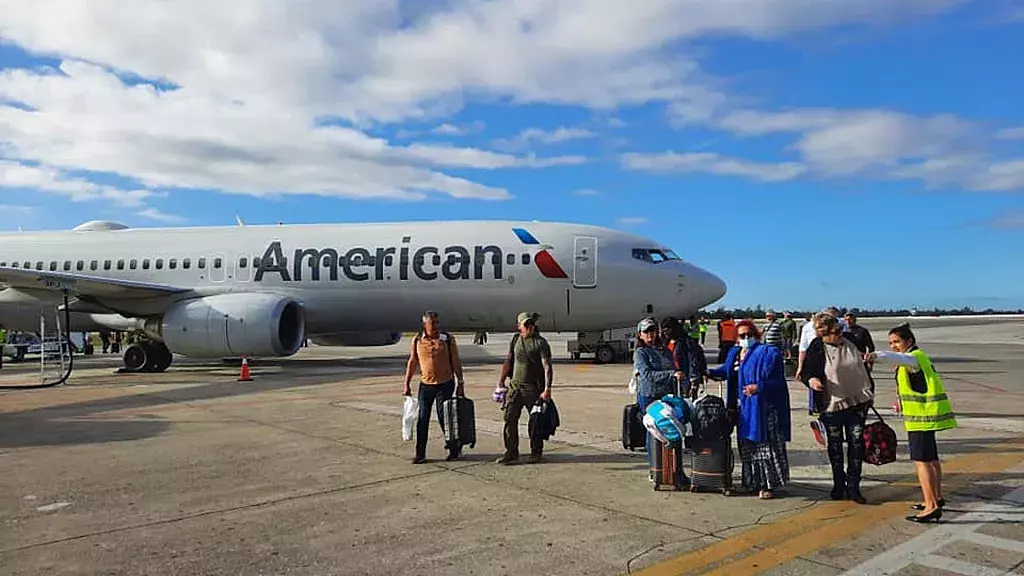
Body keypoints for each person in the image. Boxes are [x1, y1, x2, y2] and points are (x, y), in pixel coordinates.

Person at [867, 324, 956, 523]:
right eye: (890, 343)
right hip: (924, 418)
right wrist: (900, 401)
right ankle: (937, 498)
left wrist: (876, 355)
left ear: (909, 341)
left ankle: (931, 505)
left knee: (921, 462)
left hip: (921, 420)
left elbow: (901, 358)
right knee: (931, 459)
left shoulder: (915, 357)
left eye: (896, 342)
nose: (893, 346)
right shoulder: (913, 359)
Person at [709, 320, 791, 499]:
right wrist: (710, 373)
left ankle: (768, 484)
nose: (747, 338)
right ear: (737, 339)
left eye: (750, 335)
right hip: (742, 408)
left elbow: (777, 382)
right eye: (742, 336)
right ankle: (752, 482)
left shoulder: (768, 353)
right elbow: (727, 371)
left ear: (757, 335)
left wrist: (759, 387)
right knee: (747, 448)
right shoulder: (735, 353)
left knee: (765, 447)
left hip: (763, 408)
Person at [801, 313, 875, 503]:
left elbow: (865, 362)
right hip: (832, 405)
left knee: (856, 444)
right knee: (835, 447)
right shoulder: (817, 347)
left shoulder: (850, 340)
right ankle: (839, 484)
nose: (840, 334)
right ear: (824, 335)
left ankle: (854, 486)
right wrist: (812, 380)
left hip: (857, 402)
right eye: (835, 332)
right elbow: (806, 372)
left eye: (840, 329)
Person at [402, 310, 465, 464]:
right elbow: (412, 362)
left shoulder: (448, 340)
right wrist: (407, 383)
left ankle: (454, 449)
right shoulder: (417, 340)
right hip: (426, 385)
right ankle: (420, 453)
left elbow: (456, 361)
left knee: (446, 418)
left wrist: (461, 382)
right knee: (422, 419)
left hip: (445, 384)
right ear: (425, 324)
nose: (436, 326)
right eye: (432, 323)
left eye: (437, 322)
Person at [495, 312, 553, 465]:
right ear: (519, 326)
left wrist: (547, 389)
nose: (529, 327)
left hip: (533, 389)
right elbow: (508, 361)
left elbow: (547, 367)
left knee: (535, 422)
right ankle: (511, 452)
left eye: (530, 324)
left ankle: (536, 452)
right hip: (515, 387)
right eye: (525, 324)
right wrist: (501, 382)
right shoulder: (515, 340)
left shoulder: (540, 343)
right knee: (509, 419)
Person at [635, 317, 687, 480]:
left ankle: (675, 469)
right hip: (650, 396)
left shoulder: (665, 351)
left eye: (652, 330)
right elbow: (647, 375)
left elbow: (674, 367)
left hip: (666, 395)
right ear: (640, 335)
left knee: (673, 429)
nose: (650, 334)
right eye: (646, 331)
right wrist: (671, 374)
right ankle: (655, 469)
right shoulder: (641, 353)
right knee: (655, 431)